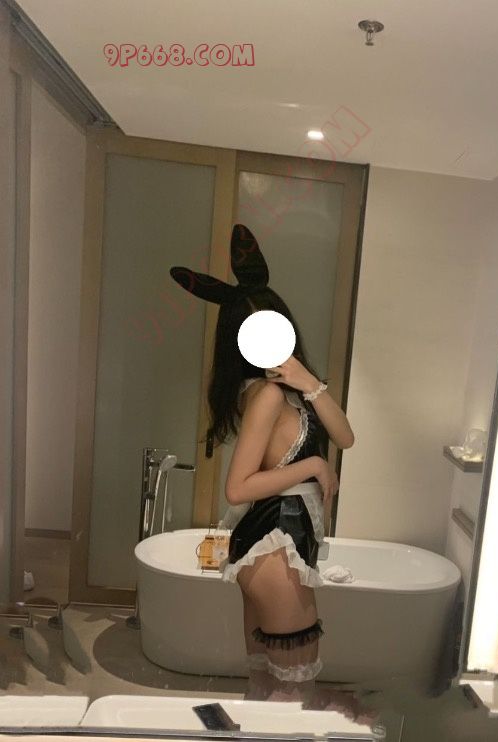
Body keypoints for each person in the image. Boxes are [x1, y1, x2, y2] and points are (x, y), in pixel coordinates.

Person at [169, 223, 354, 700]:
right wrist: (313, 467)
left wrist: (309, 381)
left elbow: (346, 437)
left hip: (277, 543)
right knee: (292, 694)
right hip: (275, 544)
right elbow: (238, 488)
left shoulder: (286, 388)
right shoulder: (269, 395)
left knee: (267, 689)